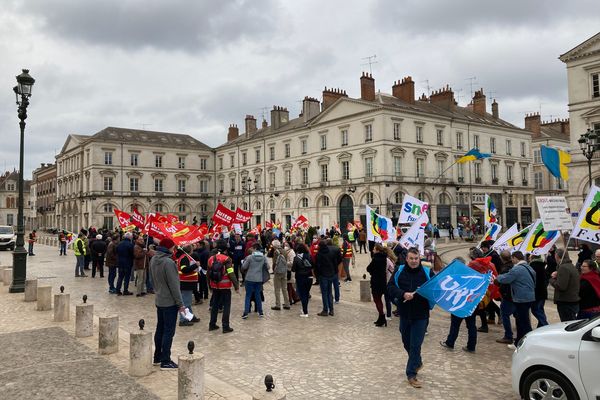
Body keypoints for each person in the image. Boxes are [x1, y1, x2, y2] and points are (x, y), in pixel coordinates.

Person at [387, 247, 434, 389]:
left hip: (421, 315)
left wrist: (422, 293)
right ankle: (417, 361)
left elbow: (435, 289)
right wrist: (403, 294)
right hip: (405, 314)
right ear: (406, 259)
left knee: (415, 345)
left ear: (419, 259)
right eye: (411, 258)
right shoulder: (399, 270)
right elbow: (390, 287)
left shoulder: (426, 272)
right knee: (406, 342)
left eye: (416, 259)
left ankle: (411, 374)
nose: (414, 261)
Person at [149, 238, 185, 370]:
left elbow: (151, 279)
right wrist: (180, 304)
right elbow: (174, 286)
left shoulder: (153, 259)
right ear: (169, 248)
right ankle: (165, 360)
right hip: (169, 301)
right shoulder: (168, 262)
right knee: (168, 331)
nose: (174, 250)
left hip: (159, 298)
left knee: (160, 329)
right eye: (173, 247)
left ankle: (157, 356)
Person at [495, 251, 535, 347]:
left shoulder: (517, 269)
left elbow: (505, 279)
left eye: (512, 259)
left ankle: (528, 342)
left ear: (515, 258)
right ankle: (519, 342)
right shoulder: (529, 267)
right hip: (529, 297)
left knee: (523, 323)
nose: (512, 261)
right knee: (522, 321)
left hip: (521, 298)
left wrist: (497, 277)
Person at [207, 240, 239, 333]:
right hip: (225, 286)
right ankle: (225, 326)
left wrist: (209, 285)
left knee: (215, 305)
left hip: (214, 285)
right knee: (226, 306)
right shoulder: (227, 259)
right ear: (226, 249)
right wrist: (236, 286)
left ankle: (212, 324)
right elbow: (231, 273)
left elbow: (208, 274)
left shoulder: (211, 259)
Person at [550, 248, 580, 322]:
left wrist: (552, 280)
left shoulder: (564, 268)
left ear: (557, 256)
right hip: (571, 300)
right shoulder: (570, 266)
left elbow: (561, 286)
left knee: (568, 324)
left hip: (566, 302)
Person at [241, 242, 269, 318]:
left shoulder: (250, 257)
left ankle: (246, 313)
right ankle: (260, 312)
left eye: (253, 248)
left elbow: (244, 267)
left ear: (255, 249)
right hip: (259, 279)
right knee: (258, 295)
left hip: (249, 278)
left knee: (248, 296)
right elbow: (268, 267)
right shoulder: (263, 257)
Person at [175, 245, 200, 326]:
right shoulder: (185, 258)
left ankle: (191, 317)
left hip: (187, 282)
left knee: (187, 302)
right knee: (185, 302)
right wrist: (195, 265)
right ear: (190, 250)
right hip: (185, 282)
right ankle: (183, 320)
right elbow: (184, 270)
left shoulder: (185, 257)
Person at [495, 250, 517, 344]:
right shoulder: (514, 266)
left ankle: (508, 336)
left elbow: (502, 281)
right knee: (517, 315)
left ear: (501, 258)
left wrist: (497, 282)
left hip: (507, 295)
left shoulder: (505, 268)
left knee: (504, 315)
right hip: (515, 295)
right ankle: (519, 334)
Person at [367, 244, 388, 327]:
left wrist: (372, 271)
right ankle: (380, 318)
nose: (373, 250)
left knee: (377, 300)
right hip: (382, 281)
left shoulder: (376, 259)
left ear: (378, 250)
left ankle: (382, 317)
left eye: (374, 249)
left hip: (376, 282)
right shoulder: (384, 258)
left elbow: (368, 268)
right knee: (379, 299)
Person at [315, 240, 337, 316]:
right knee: (329, 292)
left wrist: (317, 275)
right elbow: (335, 263)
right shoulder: (331, 252)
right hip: (331, 274)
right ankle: (331, 310)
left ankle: (325, 310)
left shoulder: (319, 254)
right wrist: (334, 272)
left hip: (323, 275)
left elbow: (317, 266)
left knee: (324, 293)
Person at [292, 243, 313, 317]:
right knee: (306, 294)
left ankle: (305, 312)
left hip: (301, 278)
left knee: (302, 294)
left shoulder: (296, 258)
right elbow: (312, 265)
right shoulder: (309, 256)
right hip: (310, 277)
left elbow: (293, 269)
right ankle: (304, 309)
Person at [270, 240, 291, 310]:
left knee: (277, 289)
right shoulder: (285, 251)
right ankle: (287, 303)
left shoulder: (276, 252)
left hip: (278, 272)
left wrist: (274, 270)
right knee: (285, 288)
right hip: (284, 271)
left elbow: (274, 262)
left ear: (274, 245)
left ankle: (278, 304)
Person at [528, 255, 549, 327]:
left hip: (536, 292)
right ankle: (541, 327)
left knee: (536, 310)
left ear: (531, 257)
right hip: (543, 291)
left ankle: (545, 325)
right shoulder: (543, 266)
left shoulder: (532, 267)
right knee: (540, 310)